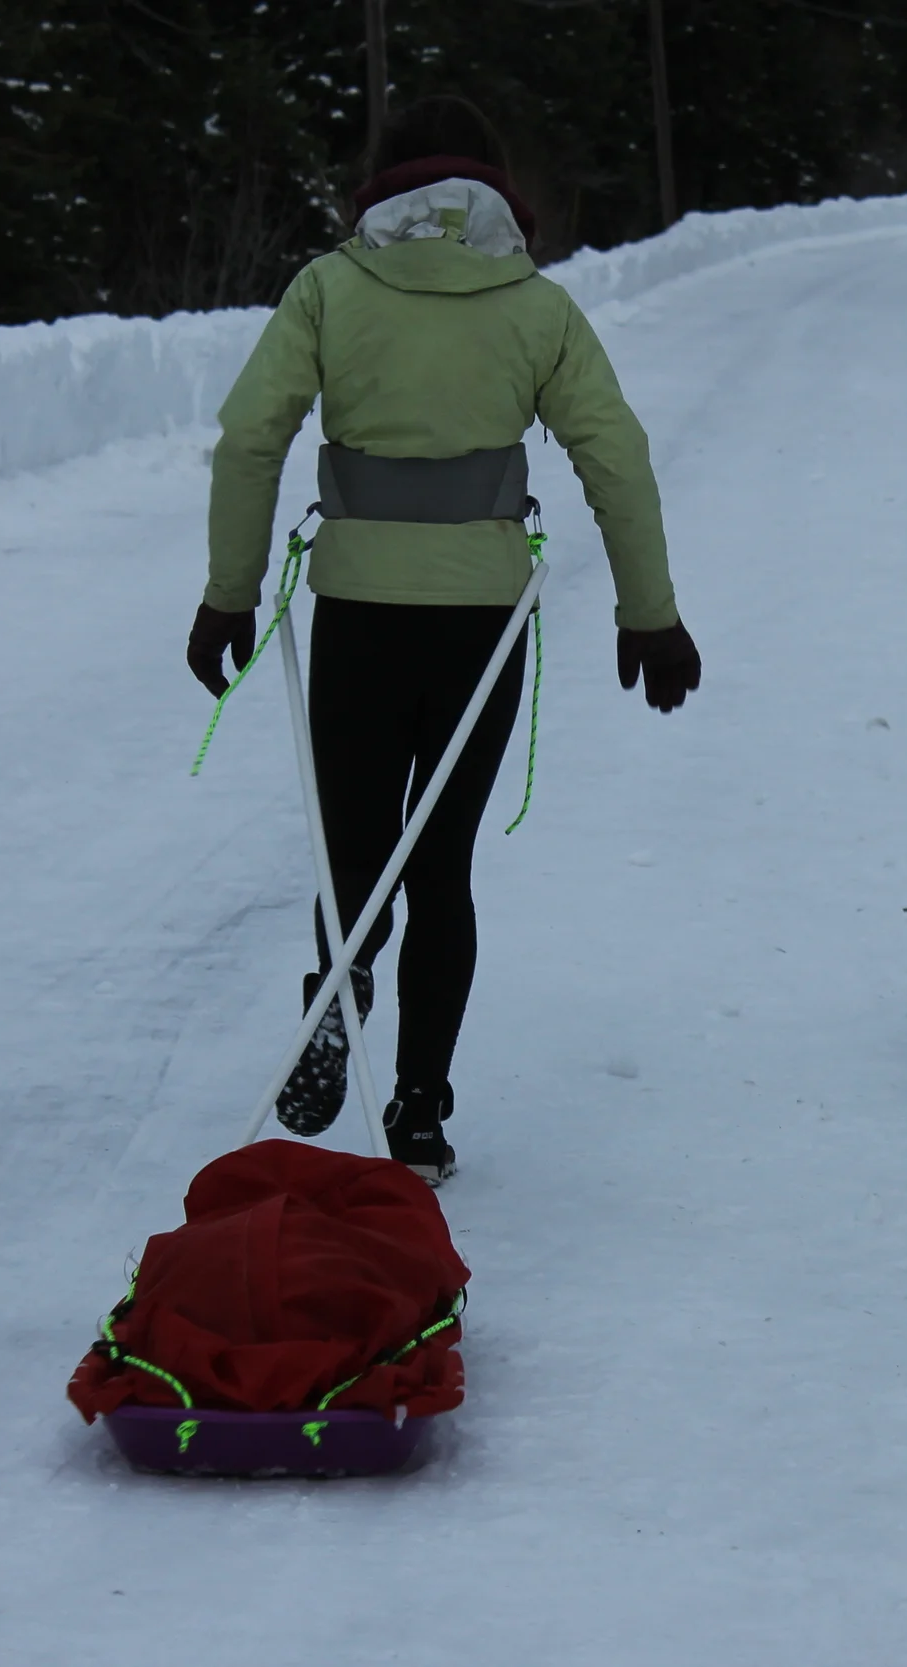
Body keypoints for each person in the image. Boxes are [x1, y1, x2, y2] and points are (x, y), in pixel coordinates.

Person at [186, 96, 699, 1182]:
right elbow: (616, 455)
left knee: (352, 847)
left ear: (382, 179)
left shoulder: (329, 288)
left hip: (361, 608)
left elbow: (247, 440)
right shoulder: (536, 306)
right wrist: (648, 613)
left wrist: (228, 594)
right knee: (441, 862)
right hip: (480, 616)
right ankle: (419, 1113)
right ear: (494, 184)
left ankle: (340, 986)